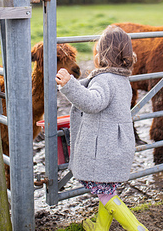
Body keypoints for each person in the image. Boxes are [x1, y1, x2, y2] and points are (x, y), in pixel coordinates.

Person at [55, 25, 148, 231]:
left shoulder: (105, 79)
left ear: (101, 54)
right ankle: (99, 228)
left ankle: (138, 229)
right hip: (116, 148)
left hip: (103, 152)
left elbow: (92, 102)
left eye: (96, 50)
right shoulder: (122, 79)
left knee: (105, 193)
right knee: (107, 190)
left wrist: (70, 85)